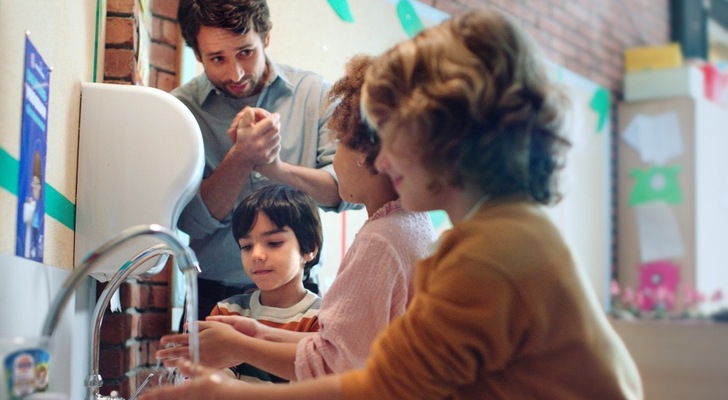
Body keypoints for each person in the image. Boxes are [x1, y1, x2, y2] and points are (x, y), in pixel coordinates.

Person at [140, 9, 643, 399]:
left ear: (446, 135)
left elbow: (377, 387)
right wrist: (256, 338)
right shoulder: (501, 233)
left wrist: (223, 392)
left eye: (390, 132)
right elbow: (383, 364)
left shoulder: (491, 253)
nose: (382, 155)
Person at [156, 55, 435, 381]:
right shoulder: (411, 223)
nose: (334, 157)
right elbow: (349, 347)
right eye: (246, 245)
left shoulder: (382, 240)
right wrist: (257, 335)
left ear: (369, 155)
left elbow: (335, 364)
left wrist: (243, 349)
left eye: (341, 141)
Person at [174, 0, 354, 320]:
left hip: (299, 295)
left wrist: (276, 169)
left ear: (265, 36)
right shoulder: (181, 111)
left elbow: (346, 193)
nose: (236, 73)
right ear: (197, 55)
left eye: (246, 52)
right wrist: (241, 158)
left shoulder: (315, 93)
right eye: (217, 59)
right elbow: (190, 222)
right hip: (212, 295)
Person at [211, 183, 323, 383]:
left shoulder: (322, 319)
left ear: (309, 248)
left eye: (274, 243)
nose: (256, 255)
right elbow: (214, 383)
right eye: (246, 246)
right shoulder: (227, 312)